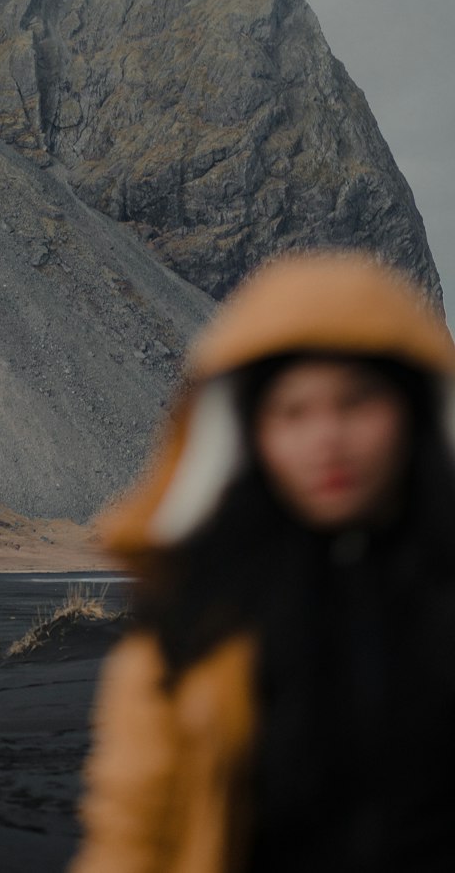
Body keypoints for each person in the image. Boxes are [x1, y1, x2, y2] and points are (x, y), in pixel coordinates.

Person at [71, 249, 455, 873]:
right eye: (293, 412)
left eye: (357, 402)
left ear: (415, 413)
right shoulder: (188, 628)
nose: (326, 438)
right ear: (251, 435)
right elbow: (130, 839)